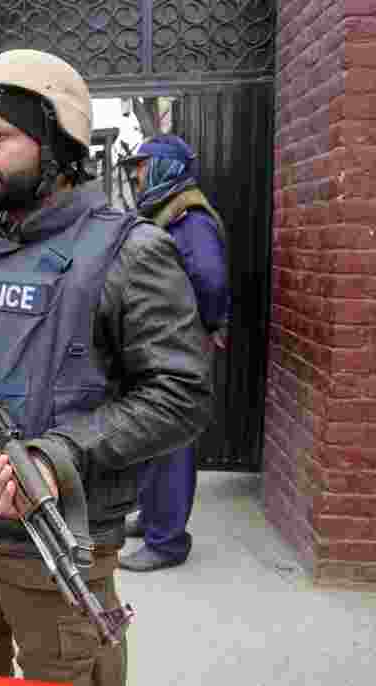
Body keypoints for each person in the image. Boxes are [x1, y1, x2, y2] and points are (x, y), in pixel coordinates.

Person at [0, 49, 214, 685]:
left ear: (57, 143)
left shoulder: (130, 250)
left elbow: (181, 394)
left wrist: (58, 457)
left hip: (61, 540)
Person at [115, 135, 230, 572]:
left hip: (178, 348)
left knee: (172, 445)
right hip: (157, 343)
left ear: (165, 166)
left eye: (144, 166)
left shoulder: (189, 218)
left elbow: (211, 281)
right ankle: (152, 519)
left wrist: (212, 323)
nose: (137, 175)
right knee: (152, 437)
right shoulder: (166, 212)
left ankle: (167, 542)